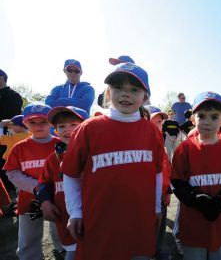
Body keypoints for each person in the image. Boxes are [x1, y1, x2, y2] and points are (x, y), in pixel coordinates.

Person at [61, 62, 165, 260]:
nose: (125, 94)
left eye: (134, 89)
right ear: (108, 93)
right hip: (99, 222)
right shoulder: (89, 128)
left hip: (139, 222)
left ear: (145, 96)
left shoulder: (151, 130)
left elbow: (158, 172)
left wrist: (157, 208)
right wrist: (75, 212)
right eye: (118, 88)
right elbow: (70, 172)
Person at [171, 91, 221, 260]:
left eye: (214, 117)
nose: (207, 122)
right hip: (193, 222)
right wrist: (195, 199)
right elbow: (177, 182)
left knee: (220, 254)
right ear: (192, 119)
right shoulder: (185, 149)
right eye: (201, 116)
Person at [3, 103, 61, 260]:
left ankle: (62, 251)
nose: (38, 126)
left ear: (51, 123)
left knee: (61, 232)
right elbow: (12, 172)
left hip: (58, 198)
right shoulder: (19, 147)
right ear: (25, 123)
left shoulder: (60, 144)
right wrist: (37, 187)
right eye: (32, 122)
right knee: (28, 240)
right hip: (29, 200)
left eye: (43, 121)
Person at [35, 106, 88, 260]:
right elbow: (44, 183)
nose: (68, 129)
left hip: (94, 217)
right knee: (72, 254)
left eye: (74, 124)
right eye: (61, 126)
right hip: (65, 219)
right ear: (56, 132)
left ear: (87, 127)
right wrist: (44, 202)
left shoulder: (95, 153)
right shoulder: (53, 158)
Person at [145, 105, 172, 260]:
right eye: (152, 121)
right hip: (147, 198)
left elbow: (166, 170)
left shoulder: (161, 143)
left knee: (160, 228)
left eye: (159, 121)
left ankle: (157, 251)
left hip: (161, 195)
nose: (157, 125)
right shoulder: (142, 143)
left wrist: (168, 191)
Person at [0, 69, 23, 193]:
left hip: (7, 138)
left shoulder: (13, 96)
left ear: (2, 78)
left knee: (5, 166)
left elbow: (12, 117)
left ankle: (10, 200)